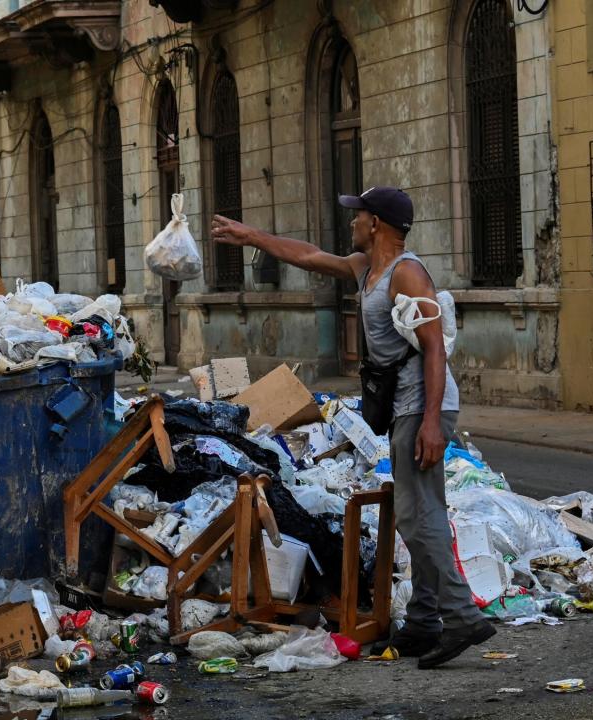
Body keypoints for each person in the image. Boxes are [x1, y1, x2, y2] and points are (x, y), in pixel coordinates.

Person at [211, 186, 494, 669]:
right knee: (424, 509)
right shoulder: (368, 269)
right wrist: (251, 236)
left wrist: (430, 424)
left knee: (413, 513)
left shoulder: (406, 274)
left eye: (358, 216)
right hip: (407, 404)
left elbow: (435, 350)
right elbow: (309, 256)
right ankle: (426, 621)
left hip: (422, 405)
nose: (352, 223)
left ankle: (461, 616)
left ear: (377, 224)